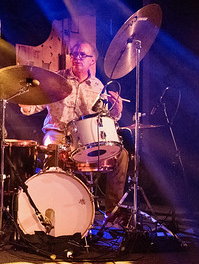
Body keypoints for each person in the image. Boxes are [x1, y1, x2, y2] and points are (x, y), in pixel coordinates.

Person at [19, 41, 129, 214]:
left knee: (121, 155)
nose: (78, 57)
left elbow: (104, 120)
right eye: (75, 54)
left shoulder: (98, 87)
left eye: (83, 55)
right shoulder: (56, 79)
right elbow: (36, 104)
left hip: (84, 138)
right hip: (57, 132)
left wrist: (116, 111)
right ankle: (50, 207)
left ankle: (112, 213)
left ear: (92, 60)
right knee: (53, 150)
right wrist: (25, 104)